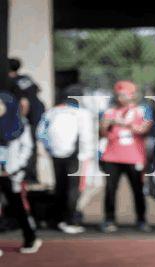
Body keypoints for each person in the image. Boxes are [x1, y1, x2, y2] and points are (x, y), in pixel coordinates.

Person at [37, 86, 94, 234]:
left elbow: (40, 133)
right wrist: (86, 155)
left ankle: (57, 220)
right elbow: (87, 136)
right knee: (73, 188)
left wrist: (50, 149)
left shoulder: (52, 112)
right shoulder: (82, 113)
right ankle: (70, 221)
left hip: (56, 155)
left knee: (60, 186)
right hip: (76, 156)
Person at [99, 80, 153, 233]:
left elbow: (143, 129)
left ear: (133, 95)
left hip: (134, 157)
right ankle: (109, 219)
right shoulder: (109, 111)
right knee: (110, 190)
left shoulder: (142, 110)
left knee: (138, 189)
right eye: (119, 94)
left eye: (124, 94)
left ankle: (141, 219)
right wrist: (104, 124)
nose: (121, 97)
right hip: (112, 157)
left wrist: (121, 122)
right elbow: (102, 133)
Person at [0, 91, 42, 255]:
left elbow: (27, 148)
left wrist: (16, 168)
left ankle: (30, 238)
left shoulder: (21, 124)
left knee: (17, 206)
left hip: (11, 173)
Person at [8, 58, 46, 184]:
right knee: (32, 146)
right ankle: (31, 176)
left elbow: (24, 103)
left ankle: (27, 176)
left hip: (29, 116)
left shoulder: (11, 81)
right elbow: (37, 90)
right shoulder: (25, 78)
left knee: (25, 146)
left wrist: (22, 119)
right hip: (38, 112)